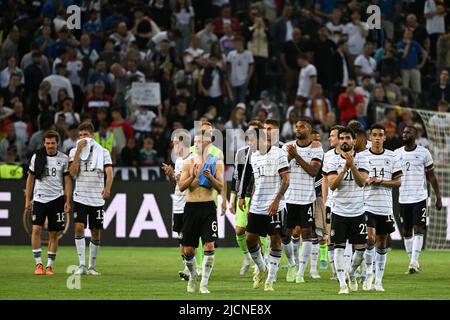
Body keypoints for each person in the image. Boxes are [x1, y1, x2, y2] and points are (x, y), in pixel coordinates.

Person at [238, 127, 290, 292]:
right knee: (250, 240)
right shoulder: (253, 156)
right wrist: (251, 202)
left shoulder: (279, 153)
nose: (249, 144)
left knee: (275, 240)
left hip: (274, 206)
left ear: (261, 140)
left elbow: (286, 180)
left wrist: (276, 201)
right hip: (257, 206)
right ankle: (262, 268)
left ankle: (270, 280)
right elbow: (255, 182)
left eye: (251, 140)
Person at [324, 127, 370, 294]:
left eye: (347, 138)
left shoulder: (363, 159)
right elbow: (332, 185)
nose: (344, 140)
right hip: (339, 211)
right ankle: (343, 284)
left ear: (353, 140)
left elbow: (361, 182)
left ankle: (351, 273)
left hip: (358, 211)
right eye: (341, 137)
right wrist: (344, 168)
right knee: (338, 248)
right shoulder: (331, 160)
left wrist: (352, 166)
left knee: (360, 250)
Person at [178, 130, 224, 294]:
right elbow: (182, 187)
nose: (196, 144)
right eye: (195, 141)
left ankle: (204, 284)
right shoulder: (188, 162)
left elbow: (220, 187)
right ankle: (192, 276)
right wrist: (193, 177)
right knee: (188, 250)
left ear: (208, 144)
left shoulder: (215, 162)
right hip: (191, 208)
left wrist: (210, 177)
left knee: (209, 246)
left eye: (200, 141)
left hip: (208, 208)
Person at [360, 124, 403, 291]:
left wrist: (381, 181)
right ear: (370, 137)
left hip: (384, 206)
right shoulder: (362, 156)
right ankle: (368, 273)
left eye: (380, 135)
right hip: (366, 205)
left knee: (382, 243)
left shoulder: (392, 157)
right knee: (370, 239)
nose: (377, 138)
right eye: (375, 135)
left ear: (385, 138)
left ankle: (378, 281)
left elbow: (398, 182)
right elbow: (357, 179)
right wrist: (366, 180)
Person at [395, 126, 442, 274]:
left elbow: (432, 176)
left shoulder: (424, 152)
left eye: (408, 132)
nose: (405, 134)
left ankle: (414, 262)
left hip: (420, 197)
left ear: (415, 135)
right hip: (403, 198)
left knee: (419, 228)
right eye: (404, 132)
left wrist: (438, 196)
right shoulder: (397, 154)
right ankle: (412, 262)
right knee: (407, 231)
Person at [69, 122, 114, 276]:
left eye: (86, 135)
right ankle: (81, 264)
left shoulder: (103, 152)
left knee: (95, 231)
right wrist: (78, 153)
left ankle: (91, 266)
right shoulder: (74, 151)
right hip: (80, 196)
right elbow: (73, 173)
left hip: (97, 198)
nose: (83, 138)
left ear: (92, 136)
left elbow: (109, 172)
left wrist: (107, 188)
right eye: (80, 135)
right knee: (79, 228)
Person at [24, 130, 72, 275]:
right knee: (36, 229)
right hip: (39, 198)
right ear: (44, 143)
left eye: (53, 143)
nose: (50, 146)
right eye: (48, 143)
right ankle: (38, 264)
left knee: (54, 233)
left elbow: (67, 181)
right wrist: (27, 198)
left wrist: (68, 200)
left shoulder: (64, 158)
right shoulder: (37, 157)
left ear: (57, 143)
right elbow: (30, 178)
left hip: (57, 199)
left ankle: (49, 266)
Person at [282, 119, 323, 283]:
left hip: (306, 197)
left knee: (306, 233)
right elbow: (281, 168)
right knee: (286, 234)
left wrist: (296, 156)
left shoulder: (316, 147)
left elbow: (313, 171)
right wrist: (289, 156)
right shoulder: (288, 146)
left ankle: (300, 272)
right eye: (296, 126)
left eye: (302, 127)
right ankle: (292, 264)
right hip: (289, 197)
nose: (298, 129)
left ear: (309, 130)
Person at [229, 120, 266, 276]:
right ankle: (247, 257)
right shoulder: (241, 153)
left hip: (261, 195)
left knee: (259, 233)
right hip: (244, 196)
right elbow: (236, 176)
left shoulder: (267, 152)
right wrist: (233, 198)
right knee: (239, 230)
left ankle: (262, 264)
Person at [161, 133, 192, 281]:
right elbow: (177, 184)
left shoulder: (192, 159)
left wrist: (174, 174)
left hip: (190, 203)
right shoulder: (179, 160)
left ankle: (189, 268)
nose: (174, 147)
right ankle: (187, 266)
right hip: (178, 203)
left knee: (188, 237)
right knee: (181, 238)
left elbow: (187, 181)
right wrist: (170, 175)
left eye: (176, 143)